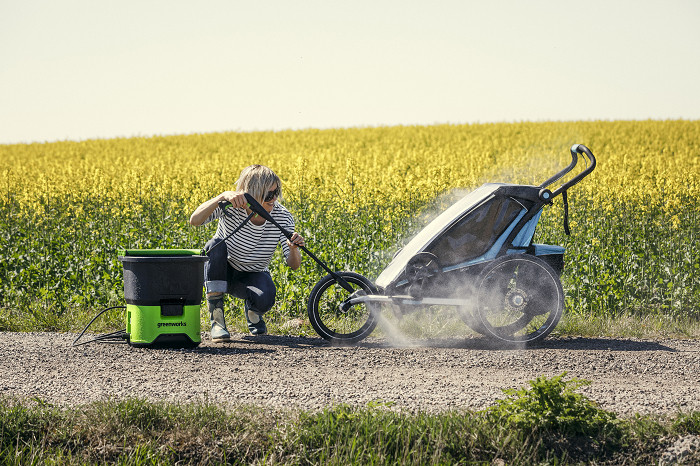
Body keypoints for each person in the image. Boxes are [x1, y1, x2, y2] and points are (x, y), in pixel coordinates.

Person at [189, 165, 304, 342]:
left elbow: (294, 265)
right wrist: (221, 197)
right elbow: (195, 221)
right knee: (215, 245)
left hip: (254, 274)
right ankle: (217, 319)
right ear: (252, 192)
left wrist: (293, 248)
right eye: (268, 195)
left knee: (266, 296)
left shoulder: (282, 216)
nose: (274, 199)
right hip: (222, 271)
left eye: (276, 192)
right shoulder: (231, 207)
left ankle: (253, 311)